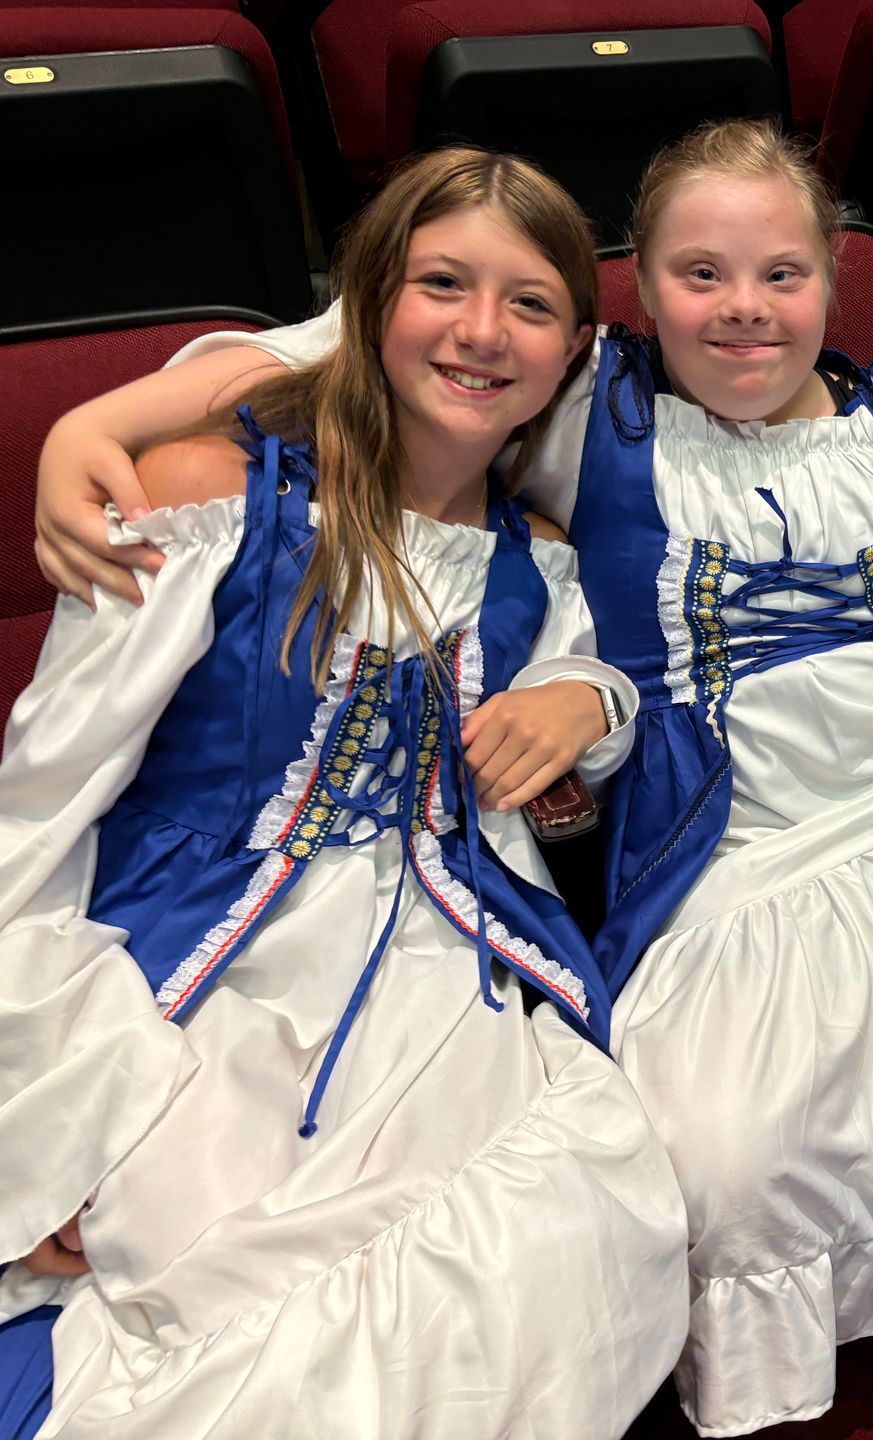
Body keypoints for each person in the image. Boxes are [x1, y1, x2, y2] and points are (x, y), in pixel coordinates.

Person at [32, 120, 873, 1438]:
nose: (745, 312)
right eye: (699, 275)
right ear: (637, 295)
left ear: (832, 275)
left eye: (783, 274)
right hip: (745, 837)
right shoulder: (579, 413)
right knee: (720, 1148)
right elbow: (382, 338)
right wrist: (99, 418)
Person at [0, 149, 691, 1439]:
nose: (482, 332)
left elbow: (591, 725)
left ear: (574, 349)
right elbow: (35, 809)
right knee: (211, 1297)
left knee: (560, 1232)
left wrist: (588, 697)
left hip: (439, 955)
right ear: (371, 301)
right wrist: (41, 1102)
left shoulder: (533, 567)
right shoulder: (215, 498)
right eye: (441, 283)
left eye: (530, 303)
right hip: (184, 952)